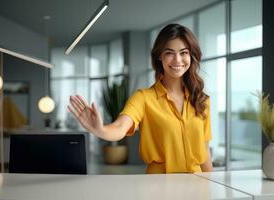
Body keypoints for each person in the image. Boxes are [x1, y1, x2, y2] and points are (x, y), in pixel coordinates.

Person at [68, 24, 214, 174]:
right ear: (160, 56)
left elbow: (204, 150)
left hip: (197, 185)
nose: (177, 59)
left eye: (184, 52)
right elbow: (120, 127)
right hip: (158, 187)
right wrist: (101, 130)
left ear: (191, 55)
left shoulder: (201, 100)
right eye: (169, 53)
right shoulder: (143, 98)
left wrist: (213, 187)